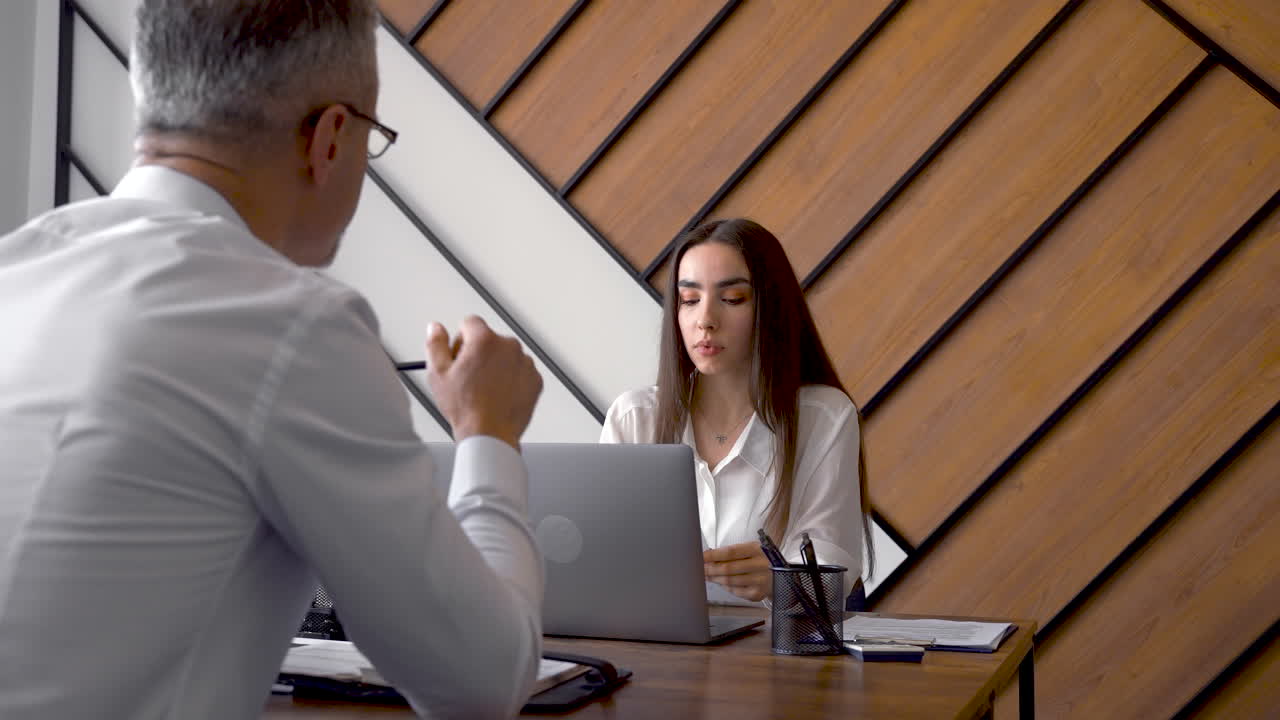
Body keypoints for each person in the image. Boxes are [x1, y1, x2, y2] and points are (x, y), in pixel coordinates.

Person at [0, 2, 545, 718]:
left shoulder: (16, 268)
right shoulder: (291, 324)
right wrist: (488, 432)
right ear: (330, 138)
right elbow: (483, 681)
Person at [600, 218, 872, 606]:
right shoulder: (633, 418)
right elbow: (605, 561)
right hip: (659, 639)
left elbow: (836, 573)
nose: (705, 320)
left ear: (770, 309)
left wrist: (781, 579)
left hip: (776, 643)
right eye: (689, 300)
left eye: (732, 299)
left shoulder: (823, 417)